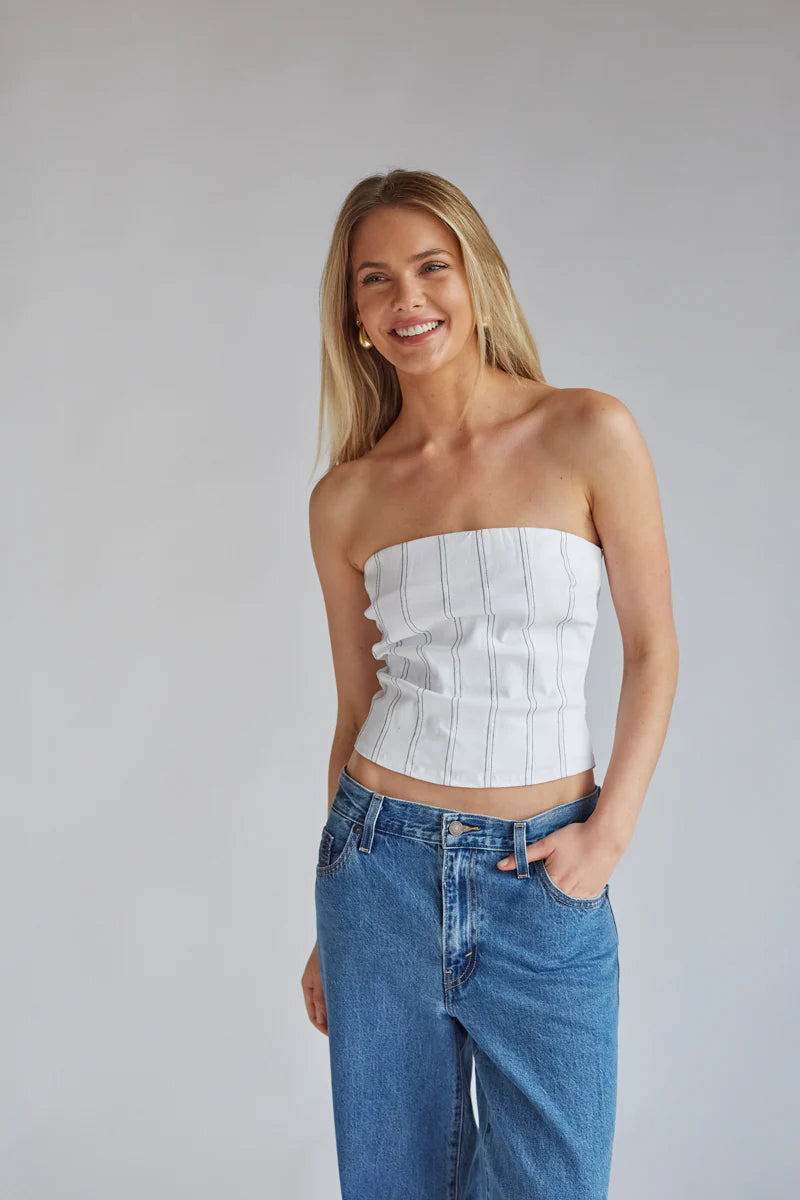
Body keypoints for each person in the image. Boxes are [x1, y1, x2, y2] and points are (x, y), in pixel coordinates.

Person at [301, 168, 679, 1200]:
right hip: (377, 877)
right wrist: (331, 925)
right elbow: (355, 706)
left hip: (542, 873)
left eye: (431, 266)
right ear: (355, 317)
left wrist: (605, 839)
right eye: (375, 279)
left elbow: (653, 650)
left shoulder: (587, 432)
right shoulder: (345, 499)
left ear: (477, 279)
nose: (407, 298)